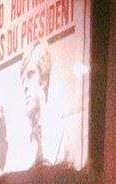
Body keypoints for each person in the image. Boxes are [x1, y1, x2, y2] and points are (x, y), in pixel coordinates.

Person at [19, 40, 82, 168]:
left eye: (30, 75)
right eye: (23, 80)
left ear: (44, 79)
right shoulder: (24, 144)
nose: (25, 86)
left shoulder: (69, 128)